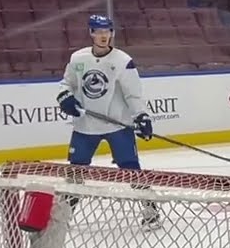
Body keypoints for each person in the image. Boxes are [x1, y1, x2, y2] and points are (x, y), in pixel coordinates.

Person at [56, 14, 159, 227]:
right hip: (85, 126)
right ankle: (64, 214)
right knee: (76, 170)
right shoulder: (78, 59)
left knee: (131, 168)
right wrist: (64, 97)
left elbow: (133, 94)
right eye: (99, 31)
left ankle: (151, 209)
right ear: (91, 33)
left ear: (112, 33)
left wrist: (141, 116)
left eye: (107, 31)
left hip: (117, 125)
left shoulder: (123, 61)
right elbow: (66, 84)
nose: (104, 36)